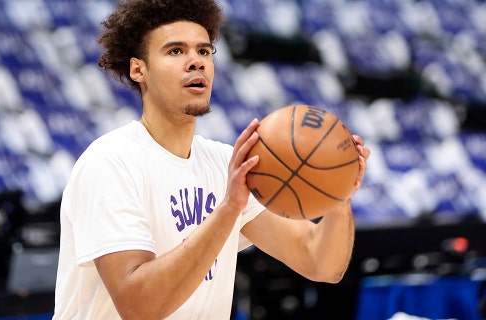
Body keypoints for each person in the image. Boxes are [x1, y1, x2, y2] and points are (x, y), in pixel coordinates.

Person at [53, 0, 371, 319]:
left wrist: (338, 192)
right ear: (139, 69)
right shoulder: (110, 163)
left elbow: (319, 263)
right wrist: (228, 209)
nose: (196, 62)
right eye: (176, 51)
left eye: (204, 51)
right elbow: (139, 307)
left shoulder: (223, 163)